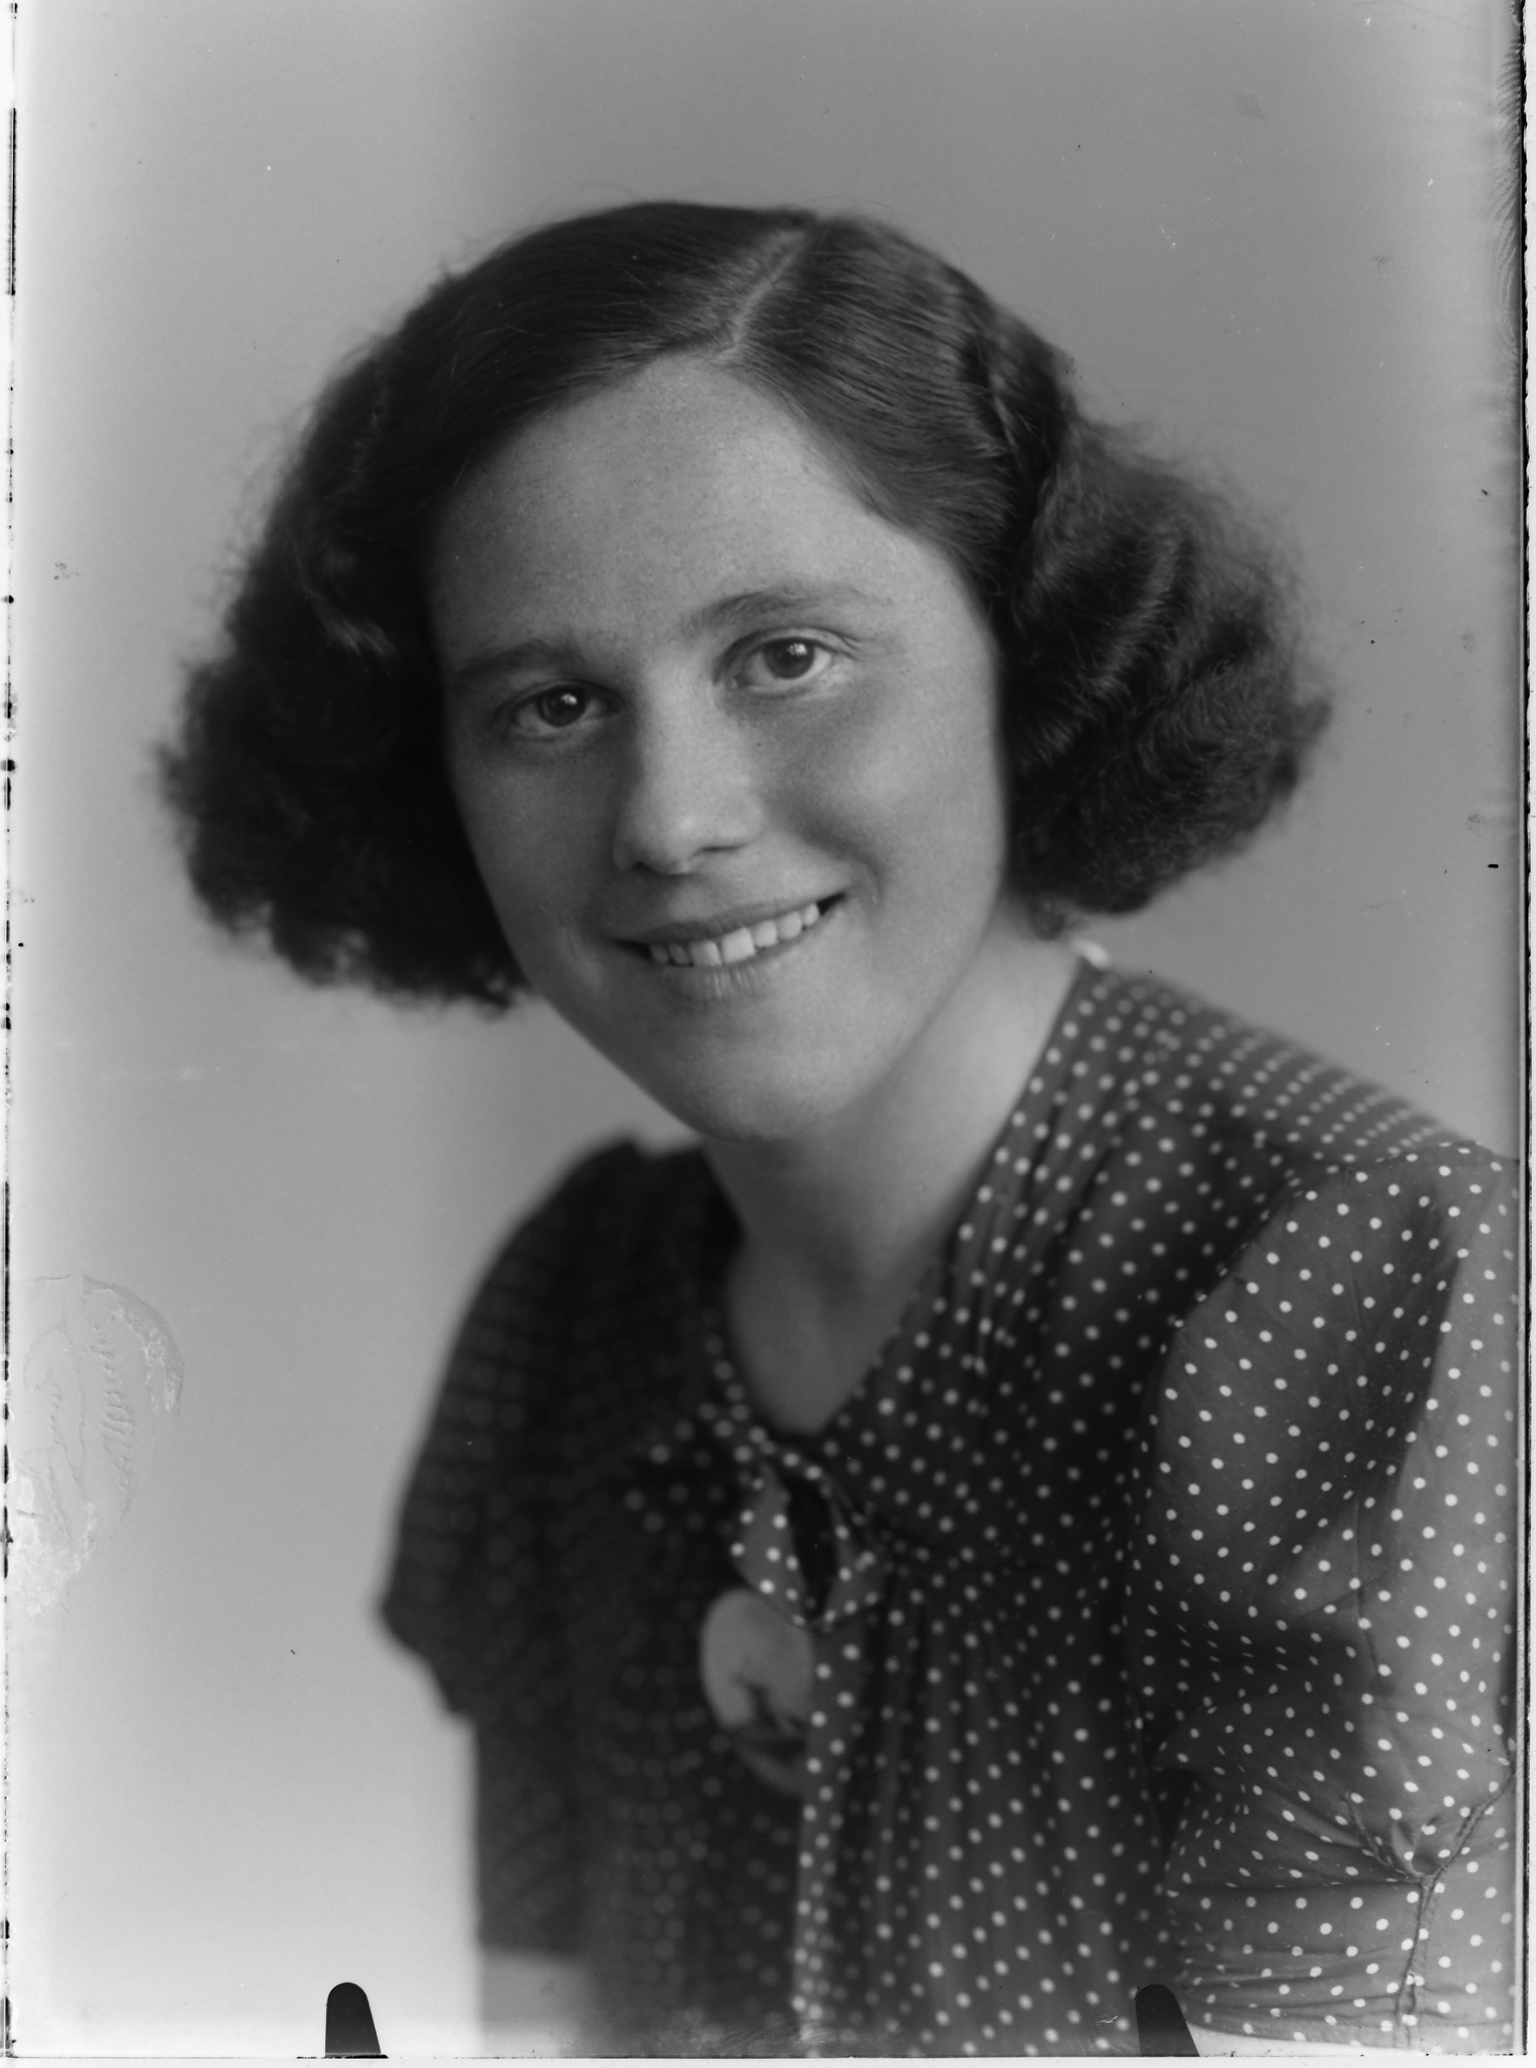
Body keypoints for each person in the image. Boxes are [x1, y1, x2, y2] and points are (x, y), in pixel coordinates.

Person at [160, 204, 1517, 2058]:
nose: (672, 819)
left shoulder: (1351, 1290)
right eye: (552, 706)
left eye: (785, 656)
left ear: (1033, 655)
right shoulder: (574, 1321)